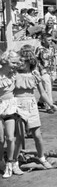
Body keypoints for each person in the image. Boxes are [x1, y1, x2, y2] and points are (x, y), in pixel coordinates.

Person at [13, 45, 57, 173]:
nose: (20, 63)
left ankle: (41, 157)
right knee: (19, 136)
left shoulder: (34, 74)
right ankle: (15, 160)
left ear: (29, 61)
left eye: (23, 60)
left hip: (31, 104)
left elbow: (42, 93)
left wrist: (51, 104)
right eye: (19, 60)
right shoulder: (14, 74)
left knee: (37, 135)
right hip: (17, 104)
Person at [0, 50, 22, 178]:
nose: (15, 65)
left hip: (10, 106)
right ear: (5, 61)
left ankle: (11, 163)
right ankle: (1, 162)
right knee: (0, 139)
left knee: (10, 138)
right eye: (13, 62)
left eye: (16, 62)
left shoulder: (14, 74)